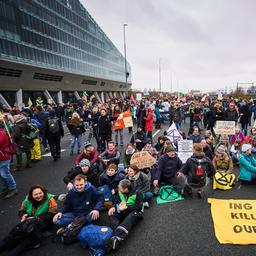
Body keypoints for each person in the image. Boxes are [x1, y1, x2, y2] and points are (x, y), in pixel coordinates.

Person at [0, 184, 57, 255]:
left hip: (44, 222)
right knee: (13, 234)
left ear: (44, 192)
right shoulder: (27, 199)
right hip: (29, 221)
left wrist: (36, 218)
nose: (39, 196)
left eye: (40, 193)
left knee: (26, 240)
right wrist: (23, 215)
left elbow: (52, 214)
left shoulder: (50, 199)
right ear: (31, 195)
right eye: (36, 194)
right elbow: (21, 210)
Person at [105, 179, 143, 252]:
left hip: (136, 212)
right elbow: (116, 201)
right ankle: (116, 234)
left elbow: (139, 207)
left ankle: (116, 238)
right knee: (111, 213)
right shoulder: (120, 191)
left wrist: (127, 207)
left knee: (129, 218)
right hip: (123, 210)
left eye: (120, 188)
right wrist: (113, 207)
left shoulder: (138, 192)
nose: (118, 189)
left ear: (126, 189)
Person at [0, 115, 17, 199]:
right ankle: (6, 188)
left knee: (4, 173)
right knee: (1, 174)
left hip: (4, 156)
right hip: (1, 157)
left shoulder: (2, 133)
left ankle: (13, 188)